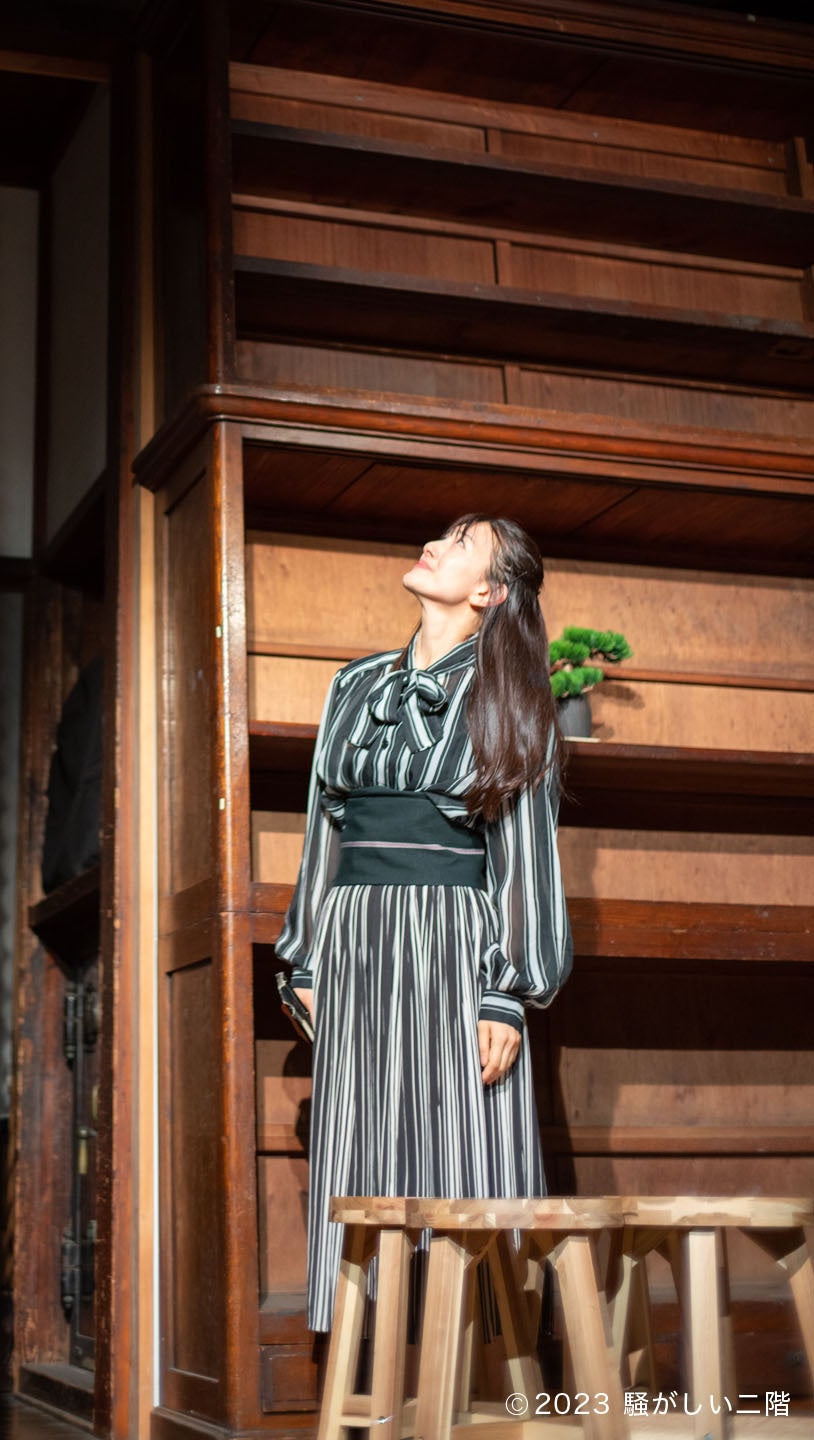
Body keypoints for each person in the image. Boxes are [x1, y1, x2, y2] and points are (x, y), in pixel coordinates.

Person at [274, 511, 574, 1335]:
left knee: (469, 1151)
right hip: (356, 937)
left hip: (454, 944)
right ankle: (366, 1361)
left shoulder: (513, 695)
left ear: (489, 592)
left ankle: (492, 1356)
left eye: (461, 543)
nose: (435, 545)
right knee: (360, 1147)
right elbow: (323, 828)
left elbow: (526, 855)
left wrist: (505, 993)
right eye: (443, 534)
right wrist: (306, 959)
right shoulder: (354, 684)